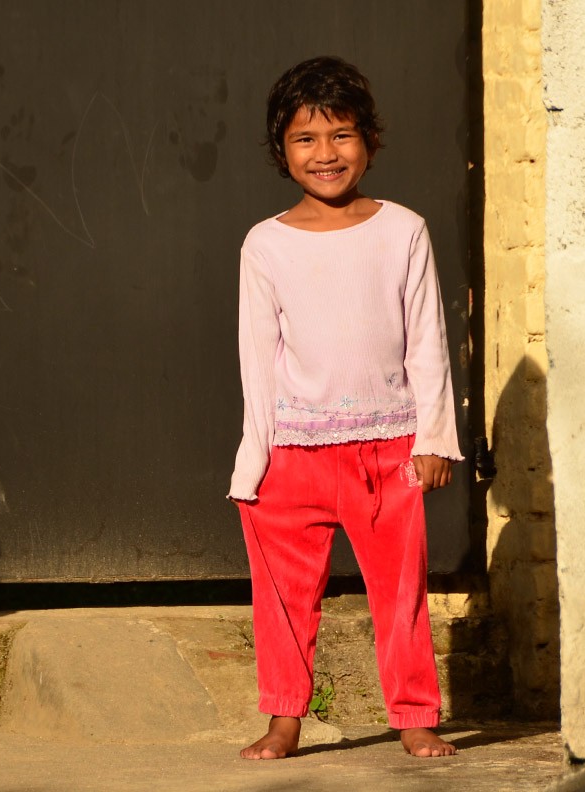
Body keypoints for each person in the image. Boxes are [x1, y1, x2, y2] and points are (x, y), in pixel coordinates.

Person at [229, 55, 464, 760]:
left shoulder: (403, 230)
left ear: (370, 142)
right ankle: (284, 720)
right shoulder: (265, 244)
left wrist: (435, 438)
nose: (325, 154)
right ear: (282, 151)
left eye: (341, 135)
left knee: (401, 595)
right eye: (306, 139)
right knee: (283, 601)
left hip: (388, 452)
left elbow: (428, 340)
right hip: (292, 454)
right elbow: (256, 359)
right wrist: (256, 459)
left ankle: (416, 716)